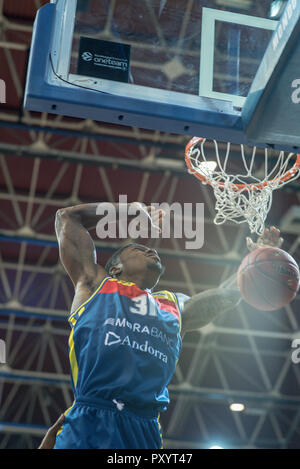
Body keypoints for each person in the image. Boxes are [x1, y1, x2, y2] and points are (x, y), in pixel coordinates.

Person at [41, 200, 282, 449]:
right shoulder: (95, 284)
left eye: (151, 251)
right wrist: (130, 210)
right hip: (91, 421)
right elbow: (67, 217)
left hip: (144, 431)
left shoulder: (174, 306)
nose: (151, 252)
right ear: (115, 268)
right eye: (138, 249)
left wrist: (256, 263)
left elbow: (224, 297)